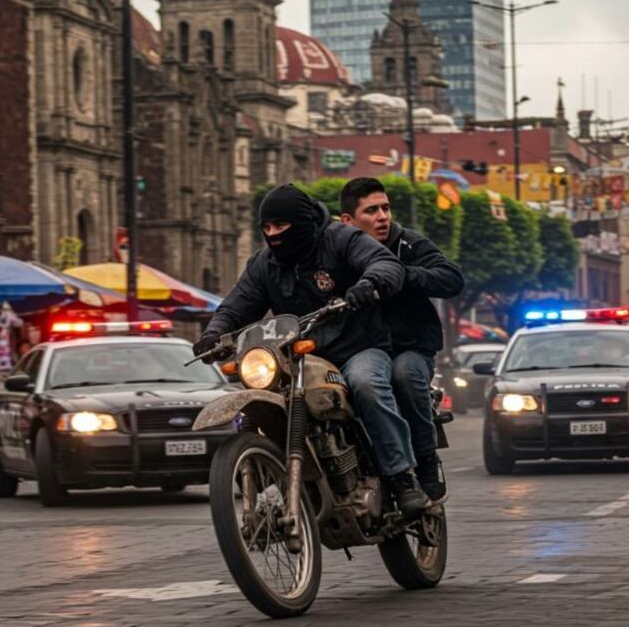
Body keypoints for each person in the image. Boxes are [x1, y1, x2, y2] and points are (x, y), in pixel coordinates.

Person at [193, 183, 431, 517]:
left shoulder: (341, 239)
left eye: (282, 226)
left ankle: (403, 476)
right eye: (268, 227)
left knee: (367, 384)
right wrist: (214, 333)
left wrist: (370, 283)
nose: (274, 234)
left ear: (302, 221)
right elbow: (237, 306)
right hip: (296, 358)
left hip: (357, 348)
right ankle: (271, 477)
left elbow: (385, 263)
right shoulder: (264, 264)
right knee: (266, 395)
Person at [339, 177, 464, 502]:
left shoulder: (408, 244)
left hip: (411, 348)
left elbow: (451, 279)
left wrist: (401, 275)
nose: (383, 216)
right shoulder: (337, 250)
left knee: (405, 375)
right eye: (372, 210)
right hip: (362, 348)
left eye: (385, 208)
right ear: (347, 221)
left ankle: (425, 459)